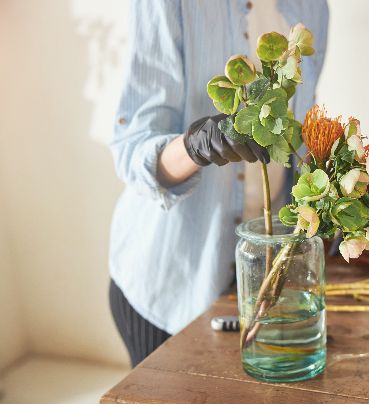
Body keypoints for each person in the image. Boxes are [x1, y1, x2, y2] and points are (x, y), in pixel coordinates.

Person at [109, 0, 329, 367]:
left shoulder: (313, 8)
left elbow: (299, 132)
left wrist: (323, 201)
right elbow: (131, 151)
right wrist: (197, 146)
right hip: (170, 284)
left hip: (261, 286)